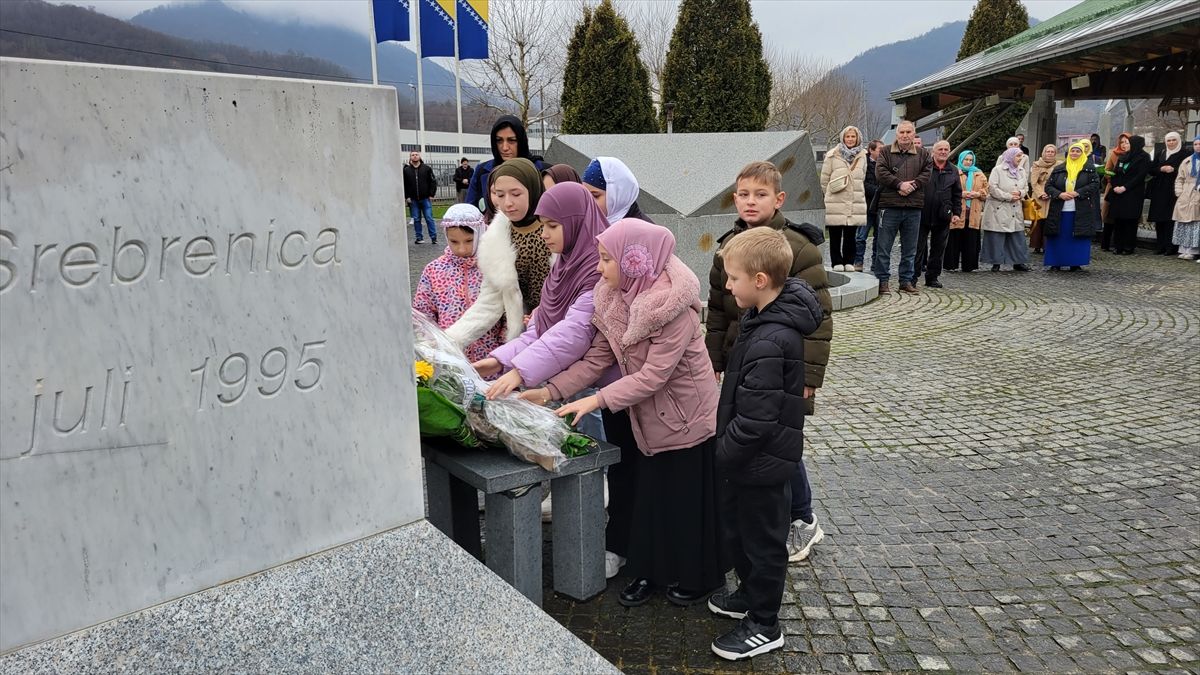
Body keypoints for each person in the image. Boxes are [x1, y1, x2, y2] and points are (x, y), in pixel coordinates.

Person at [537, 219, 724, 609]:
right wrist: (549, 390)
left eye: (607, 259)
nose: (600, 268)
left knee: (685, 501)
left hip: (686, 417)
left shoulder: (674, 307)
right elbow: (598, 358)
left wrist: (596, 400)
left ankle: (698, 574)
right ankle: (649, 570)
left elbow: (653, 375)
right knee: (649, 497)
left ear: (635, 261)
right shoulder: (613, 296)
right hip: (649, 419)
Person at [706, 161, 832, 563]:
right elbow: (718, 310)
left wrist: (809, 377)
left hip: (784, 367)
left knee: (781, 446)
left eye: (760, 194)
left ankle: (802, 518)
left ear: (778, 199)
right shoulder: (729, 247)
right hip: (743, 366)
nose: (750, 202)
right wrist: (714, 361)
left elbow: (818, 316)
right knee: (754, 442)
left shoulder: (797, 248)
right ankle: (760, 516)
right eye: (743, 194)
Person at [706, 227, 822, 661]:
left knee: (764, 543)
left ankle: (764, 623)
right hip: (750, 462)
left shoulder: (774, 336)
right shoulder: (761, 319)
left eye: (732, 278)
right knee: (745, 534)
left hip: (761, 463)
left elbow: (757, 419)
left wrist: (723, 453)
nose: (726, 286)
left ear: (759, 281)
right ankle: (750, 598)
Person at [445, 158, 548, 347]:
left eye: (516, 194)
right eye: (499, 195)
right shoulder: (496, 237)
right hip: (525, 338)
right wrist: (450, 340)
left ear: (533, 190)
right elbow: (489, 302)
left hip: (561, 330)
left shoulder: (555, 227)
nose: (507, 203)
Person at [411, 204, 505, 363]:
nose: (462, 249)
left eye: (469, 240)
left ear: (481, 233)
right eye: (454, 242)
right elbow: (422, 314)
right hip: (451, 357)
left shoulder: (495, 266)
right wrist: (433, 345)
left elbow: (509, 310)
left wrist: (504, 345)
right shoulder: (434, 270)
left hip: (491, 357)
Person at [874, 120, 931, 295]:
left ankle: (905, 281)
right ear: (896, 134)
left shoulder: (923, 154)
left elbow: (927, 173)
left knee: (910, 248)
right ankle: (882, 281)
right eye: (902, 132)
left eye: (908, 132)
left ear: (913, 134)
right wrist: (899, 185)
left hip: (913, 207)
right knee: (884, 247)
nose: (905, 135)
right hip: (889, 206)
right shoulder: (885, 151)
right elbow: (880, 173)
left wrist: (912, 186)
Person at [1043, 141, 1100, 272]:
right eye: (1073, 151)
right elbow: (1049, 186)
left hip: (1080, 208)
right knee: (1059, 236)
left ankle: (1075, 262)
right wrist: (1060, 194)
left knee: (1077, 236)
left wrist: (1078, 192)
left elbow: (1095, 185)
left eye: (1078, 151)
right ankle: (1056, 262)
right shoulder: (1059, 169)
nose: (1075, 153)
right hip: (1060, 209)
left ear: (1082, 153)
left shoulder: (1089, 169)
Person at [465, 115, 544, 210]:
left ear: (521, 141)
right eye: (499, 140)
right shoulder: (482, 171)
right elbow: (469, 210)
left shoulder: (541, 170)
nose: (505, 147)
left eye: (512, 140)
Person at [914, 140, 962, 288]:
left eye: (946, 149)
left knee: (938, 248)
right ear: (933, 152)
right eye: (940, 149)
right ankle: (912, 277)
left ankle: (932, 277)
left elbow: (957, 193)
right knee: (917, 247)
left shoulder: (953, 170)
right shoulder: (924, 167)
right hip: (922, 213)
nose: (943, 151)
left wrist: (956, 212)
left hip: (943, 215)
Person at [820, 125, 868, 271]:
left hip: (854, 199)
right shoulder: (832, 155)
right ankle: (836, 261)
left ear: (857, 138)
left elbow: (863, 176)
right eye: (848, 136)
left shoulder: (862, 156)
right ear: (843, 138)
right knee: (835, 234)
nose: (850, 139)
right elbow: (824, 178)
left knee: (851, 234)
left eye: (853, 136)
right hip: (836, 199)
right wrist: (830, 193)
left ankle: (849, 261)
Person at [980, 148, 1031, 271]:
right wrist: (1008, 196)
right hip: (999, 207)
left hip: (1015, 207)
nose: (1020, 159)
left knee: (1017, 236)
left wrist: (1020, 193)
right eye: (1018, 156)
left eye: (1021, 156)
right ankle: (996, 262)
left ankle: (1018, 261)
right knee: (997, 236)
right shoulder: (997, 170)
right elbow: (992, 188)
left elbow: (1026, 187)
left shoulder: (1022, 171)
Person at [944, 150, 988, 273]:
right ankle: (951, 264)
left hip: (973, 211)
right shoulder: (954, 172)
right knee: (954, 238)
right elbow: (948, 189)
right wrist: (961, 194)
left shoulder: (979, 174)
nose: (968, 162)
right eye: (966, 160)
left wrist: (978, 193)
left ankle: (969, 265)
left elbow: (986, 190)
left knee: (971, 240)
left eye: (970, 160)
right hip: (958, 210)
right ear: (961, 160)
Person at [1106, 135, 1150, 255]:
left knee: (1130, 221)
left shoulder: (1144, 157)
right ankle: (1117, 245)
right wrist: (1114, 186)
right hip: (1118, 193)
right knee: (1118, 220)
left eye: (1129, 143)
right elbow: (1114, 173)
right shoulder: (1123, 157)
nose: (1126, 145)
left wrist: (1125, 187)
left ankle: (1128, 246)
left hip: (1132, 193)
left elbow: (1140, 176)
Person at [582, 157, 652, 224]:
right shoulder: (588, 224)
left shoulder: (646, 232)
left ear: (618, 197)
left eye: (595, 196)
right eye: (585, 195)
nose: (587, 202)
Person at [1149, 132, 1186, 255]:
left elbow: (1186, 172)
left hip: (1173, 190)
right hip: (1159, 189)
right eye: (1168, 140)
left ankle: (1171, 247)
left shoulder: (1184, 154)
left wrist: (1174, 170)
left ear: (1178, 141)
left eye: (1173, 140)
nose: (1171, 143)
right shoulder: (1161, 153)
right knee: (1159, 218)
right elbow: (1152, 169)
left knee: (1170, 219)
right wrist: (1161, 169)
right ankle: (1160, 246)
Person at [854, 140, 883, 272]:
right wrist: (878, 191)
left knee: (879, 237)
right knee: (861, 236)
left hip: (881, 206)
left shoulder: (885, 164)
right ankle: (858, 261)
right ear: (871, 150)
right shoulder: (863, 164)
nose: (882, 152)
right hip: (866, 205)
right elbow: (861, 183)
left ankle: (875, 262)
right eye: (879, 150)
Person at [1100, 133, 1132, 250]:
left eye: (1126, 142)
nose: (1124, 145)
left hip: (1128, 189)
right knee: (1109, 216)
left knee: (1123, 217)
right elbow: (1107, 170)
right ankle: (1105, 244)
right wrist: (1113, 178)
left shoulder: (1136, 155)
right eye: (1122, 142)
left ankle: (1121, 244)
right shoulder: (1114, 153)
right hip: (1113, 186)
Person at [1171, 137, 1200, 260]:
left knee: (1195, 222)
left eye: (1199, 144)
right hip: (1186, 194)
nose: (1197, 146)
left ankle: (1193, 250)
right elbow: (1180, 178)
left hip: (1197, 193)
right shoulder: (1187, 161)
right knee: (1183, 222)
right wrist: (1179, 193)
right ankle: (1183, 248)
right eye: (1195, 144)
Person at [1028, 144, 1059, 254]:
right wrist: (1041, 193)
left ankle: (1047, 245)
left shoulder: (1059, 166)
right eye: (1048, 151)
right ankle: (1036, 244)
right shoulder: (1036, 164)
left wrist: (1051, 192)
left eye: (1052, 152)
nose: (1050, 154)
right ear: (1043, 152)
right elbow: (1034, 182)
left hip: (1052, 195)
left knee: (1049, 220)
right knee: (1038, 221)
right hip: (1039, 196)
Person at [403, 150, 438, 245]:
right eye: (412, 155)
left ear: (419, 156)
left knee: (429, 218)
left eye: (416, 154)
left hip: (425, 198)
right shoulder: (406, 171)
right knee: (416, 219)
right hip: (413, 199)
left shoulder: (427, 169)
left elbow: (433, 182)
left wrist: (431, 194)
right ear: (410, 157)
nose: (414, 156)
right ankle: (419, 237)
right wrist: (407, 196)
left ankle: (434, 237)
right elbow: (404, 185)